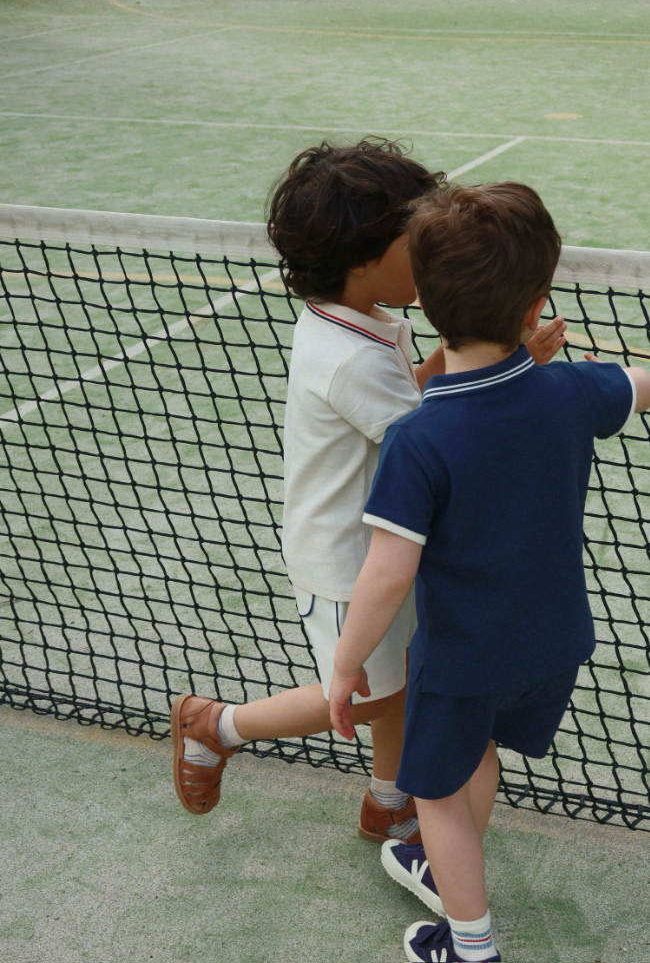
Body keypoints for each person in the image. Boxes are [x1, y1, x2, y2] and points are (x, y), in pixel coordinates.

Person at [170, 142, 567, 847]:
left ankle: (389, 800)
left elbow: (412, 403)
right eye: (413, 244)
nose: (426, 256)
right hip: (349, 559)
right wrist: (514, 367)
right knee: (370, 694)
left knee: (405, 681)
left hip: (388, 544)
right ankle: (216, 725)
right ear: (363, 259)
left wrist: (478, 351)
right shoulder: (348, 356)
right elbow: (439, 440)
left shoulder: (366, 321)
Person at [329, 181, 650, 962]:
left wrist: (343, 669)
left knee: (432, 790)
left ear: (429, 305)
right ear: (538, 302)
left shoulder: (422, 437)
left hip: (464, 660)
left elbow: (385, 575)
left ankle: (469, 947)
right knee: (478, 755)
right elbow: (640, 383)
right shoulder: (573, 390)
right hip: (556, 647)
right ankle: (441, 870)